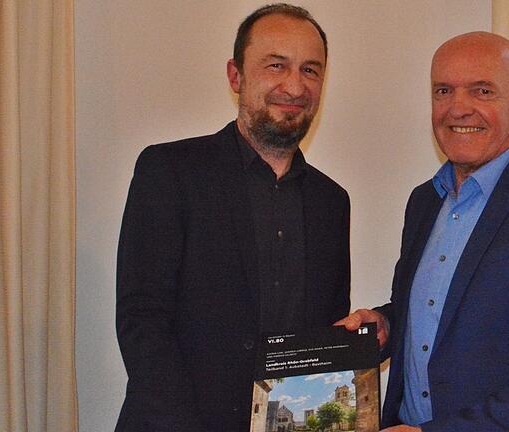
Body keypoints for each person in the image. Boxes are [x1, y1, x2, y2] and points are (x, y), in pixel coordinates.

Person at [337, 32, 509, 431]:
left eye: (482, 91)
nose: (458, 108)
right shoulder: (424, 201)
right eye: (443, 91)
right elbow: (446, 314)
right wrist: (388, 322)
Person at [115, 4, 350, 431]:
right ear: (235, 75)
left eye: (310, 70)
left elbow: (324, 340)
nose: (294, 85)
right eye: (276, 65)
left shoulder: (332, 203)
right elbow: (143, 322)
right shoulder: (169, 171)